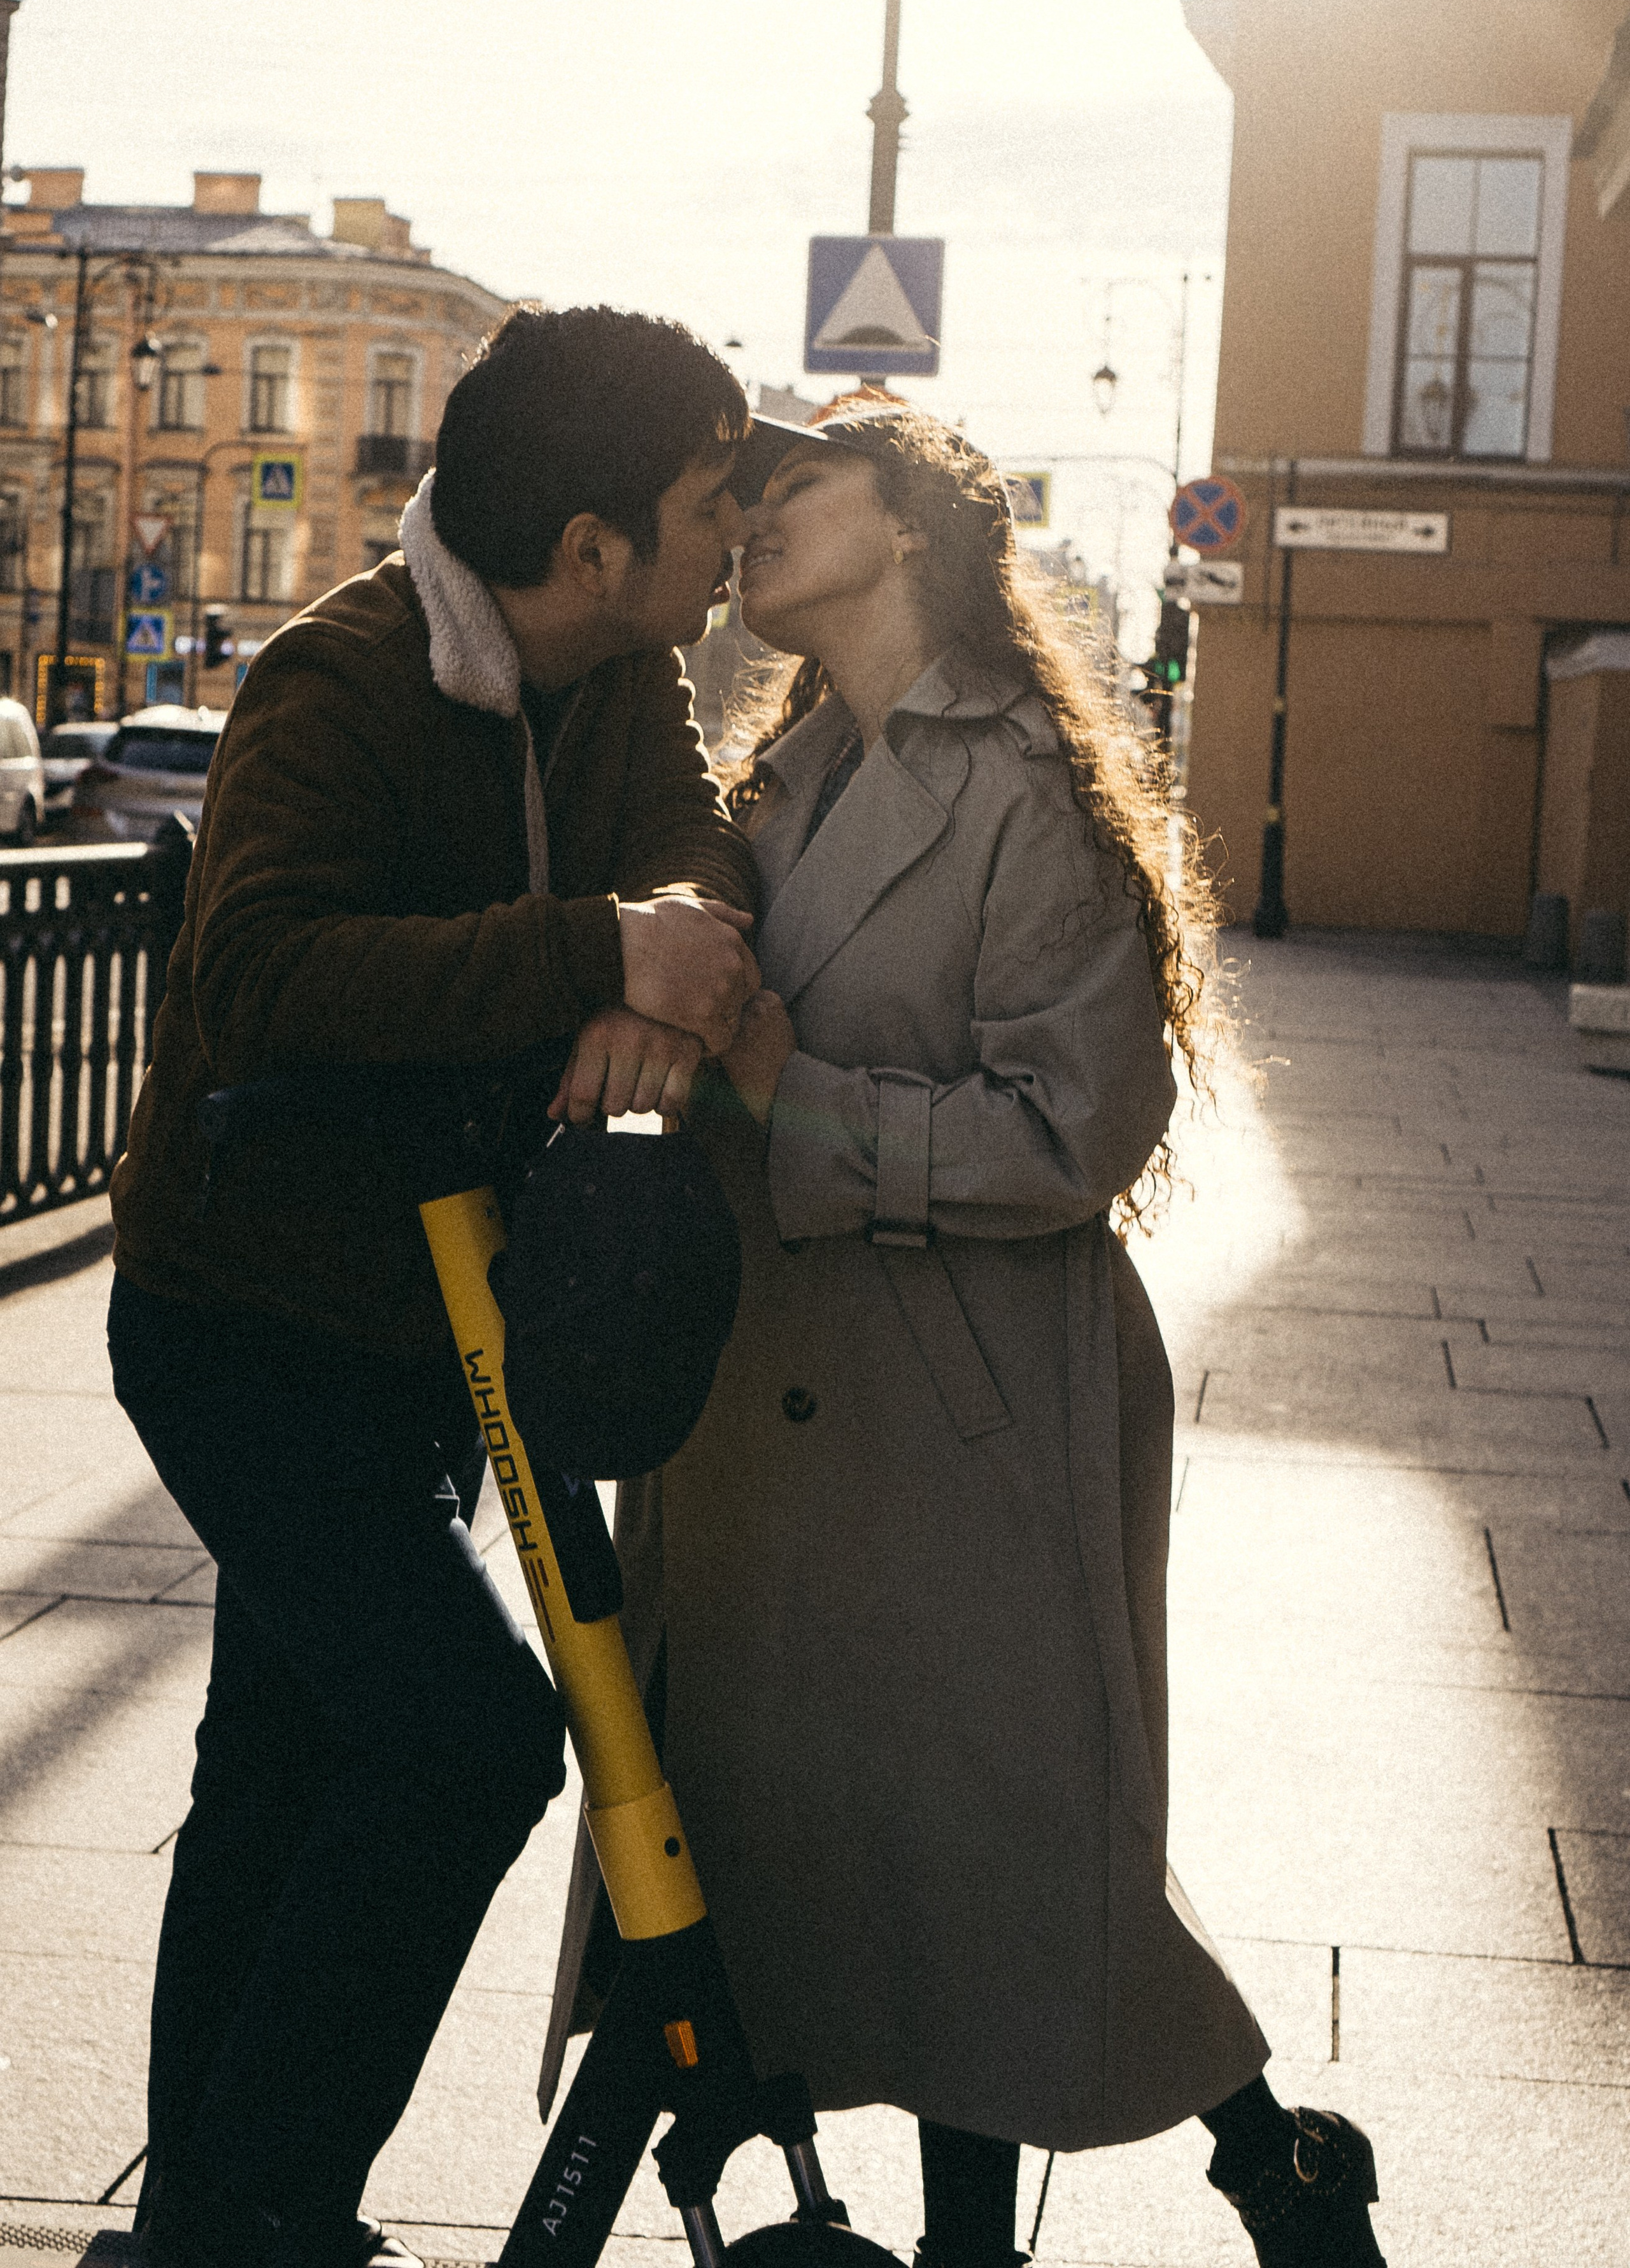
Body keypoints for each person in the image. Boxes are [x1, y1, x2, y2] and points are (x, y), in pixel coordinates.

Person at [541, 399, 1386, 2268]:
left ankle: (1096, 2212)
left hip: (972, 1406)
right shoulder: (774, 778)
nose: (753, 515)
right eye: (743, 495)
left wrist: (790, 1087)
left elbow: (1076, 1130)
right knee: (852, 1849)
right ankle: (1255, 2166)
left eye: (797, 484)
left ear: (915, 524)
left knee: (994, 1858)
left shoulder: (1022, 786)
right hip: (772, 1410)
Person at [107, 305, 762, 2268]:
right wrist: (591, 954)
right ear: (590, 548)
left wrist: (661, 954)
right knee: (465, 1738)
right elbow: (265, 978)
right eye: (711, 506)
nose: (730, 544)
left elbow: (692, 856)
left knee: (284, 1761)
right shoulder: (346, 682)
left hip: (424, 1327)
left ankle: (215, 2212)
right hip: (246, 1318)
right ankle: (261, 2210)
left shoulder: (619, 680)